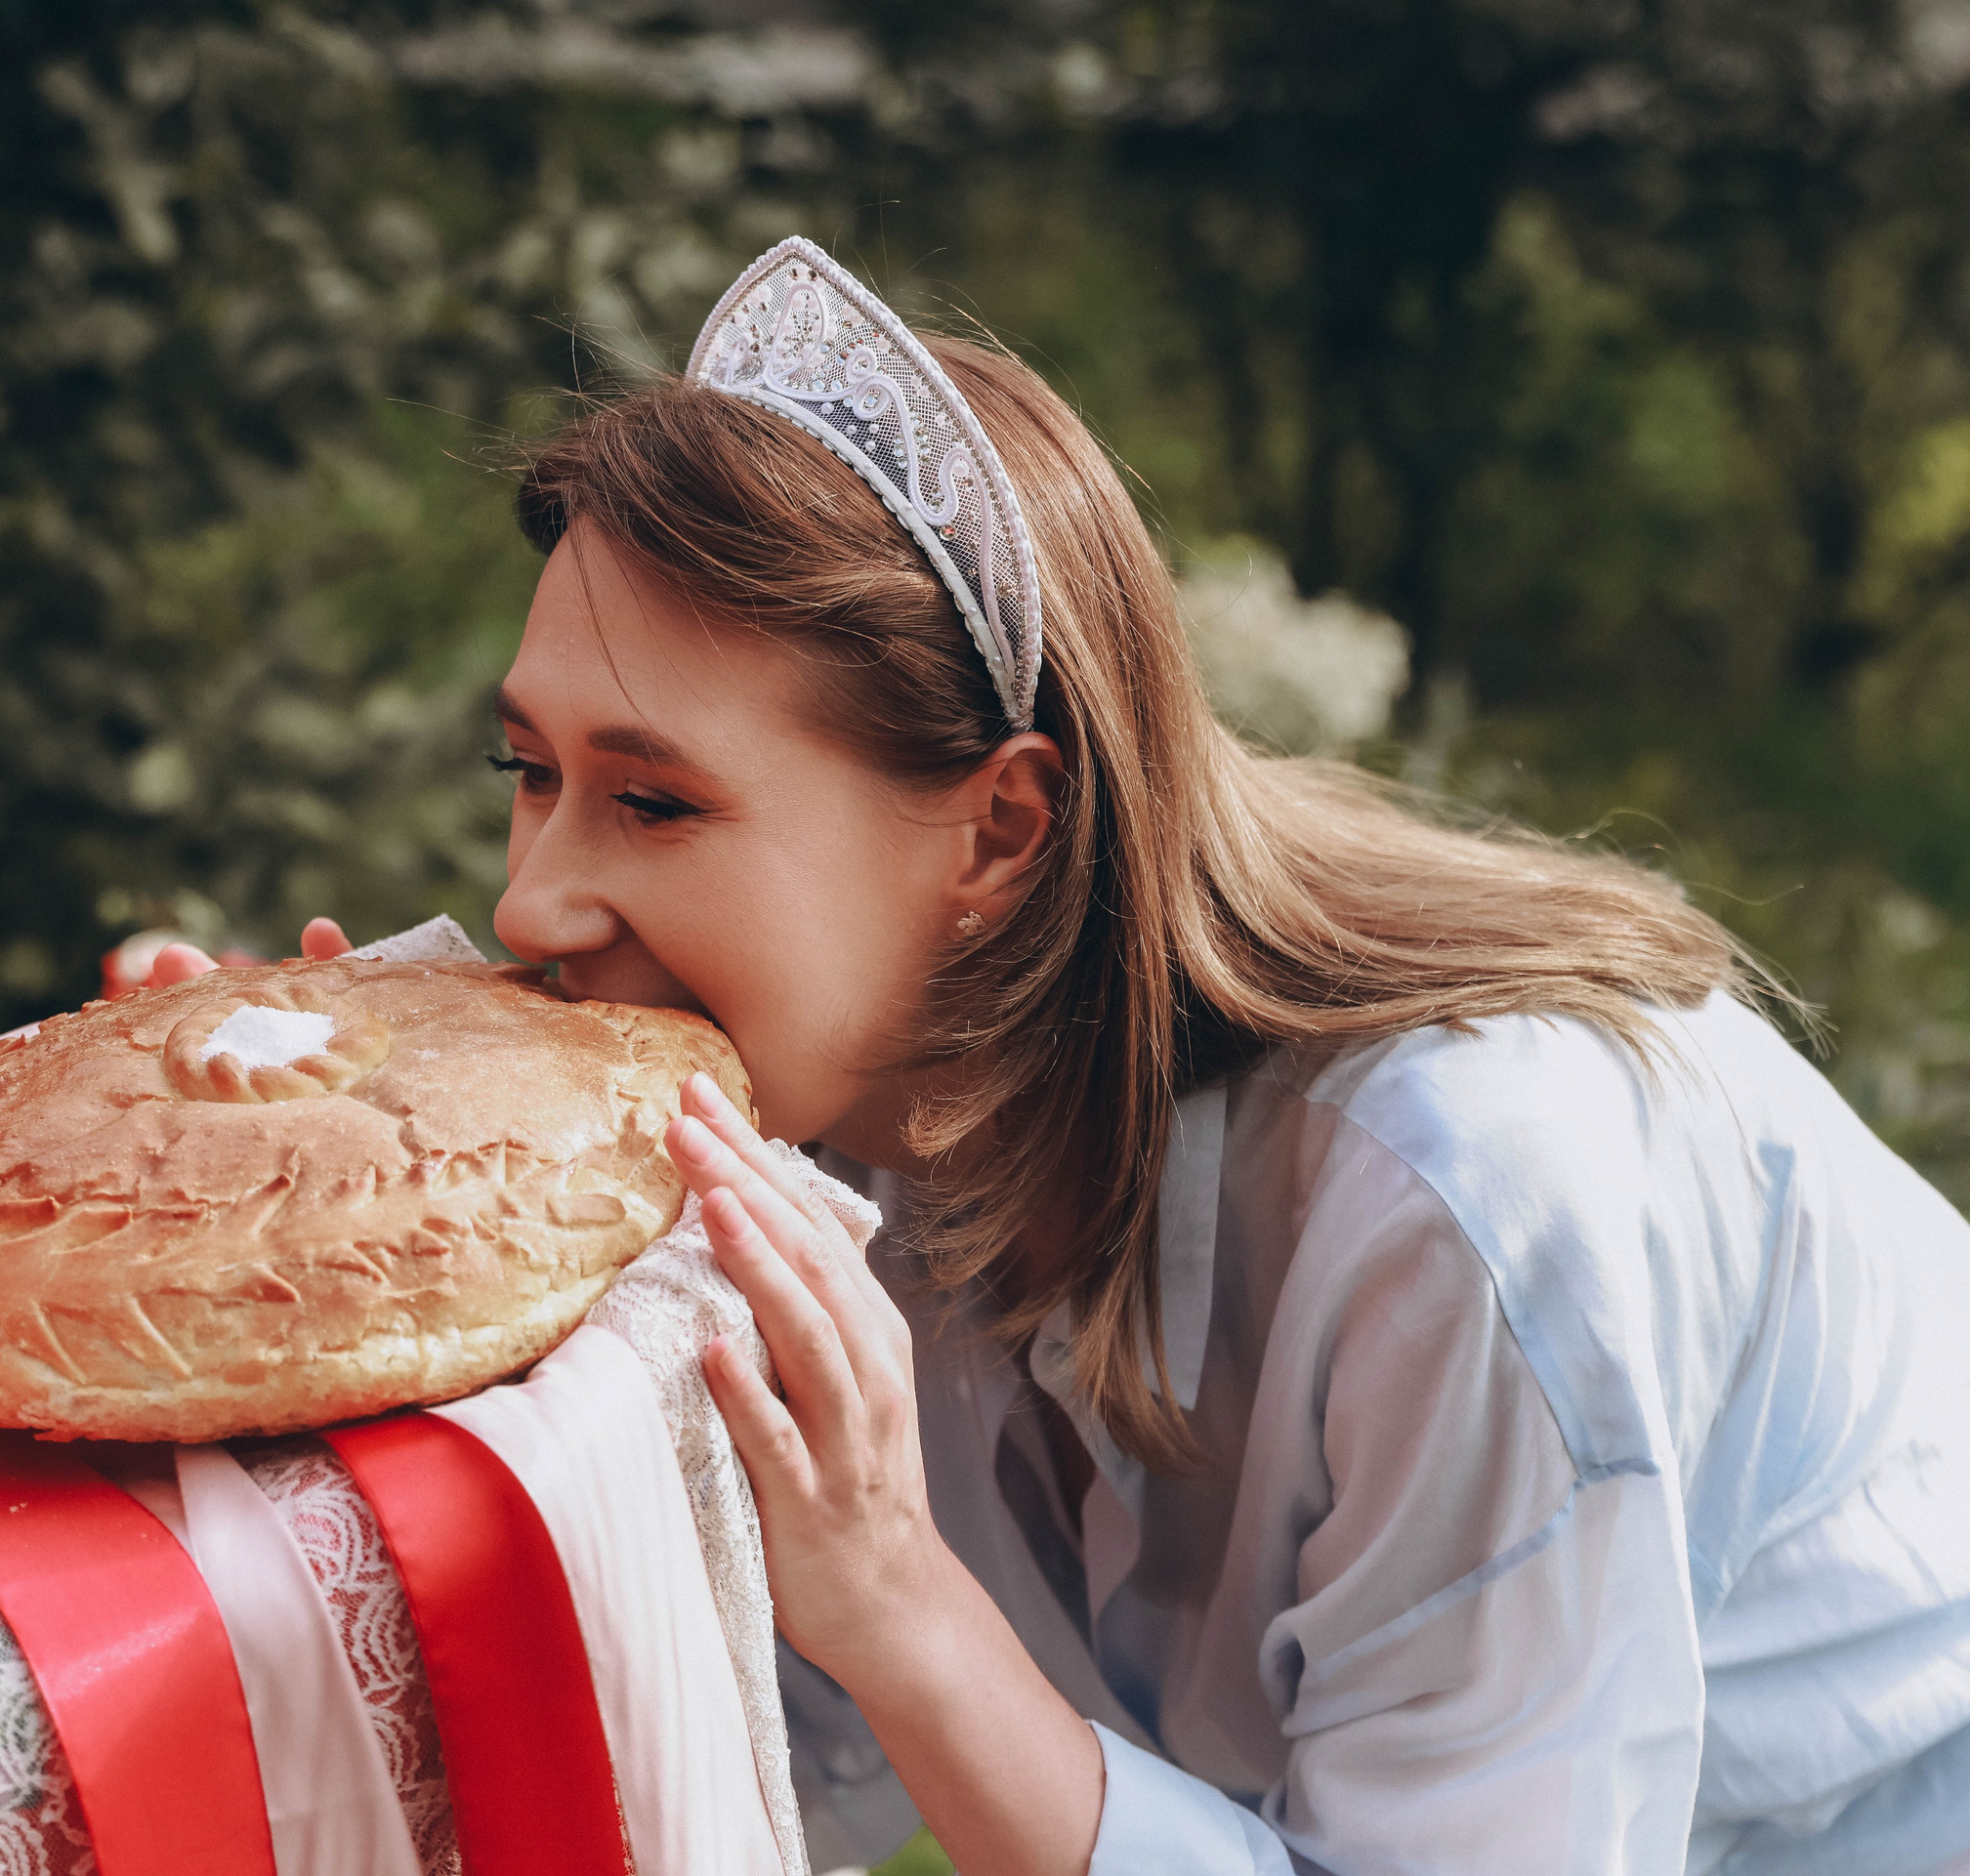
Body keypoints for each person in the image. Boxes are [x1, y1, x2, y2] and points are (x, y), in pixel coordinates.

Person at [450, 239, 1970, 1873]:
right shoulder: (830, 1107)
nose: (527, 899)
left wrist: (906, 1605)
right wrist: (286, 1175)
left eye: (656, 799)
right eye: (527, 769)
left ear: (999, 831)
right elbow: (744, 1751)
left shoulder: (1466, 1204)